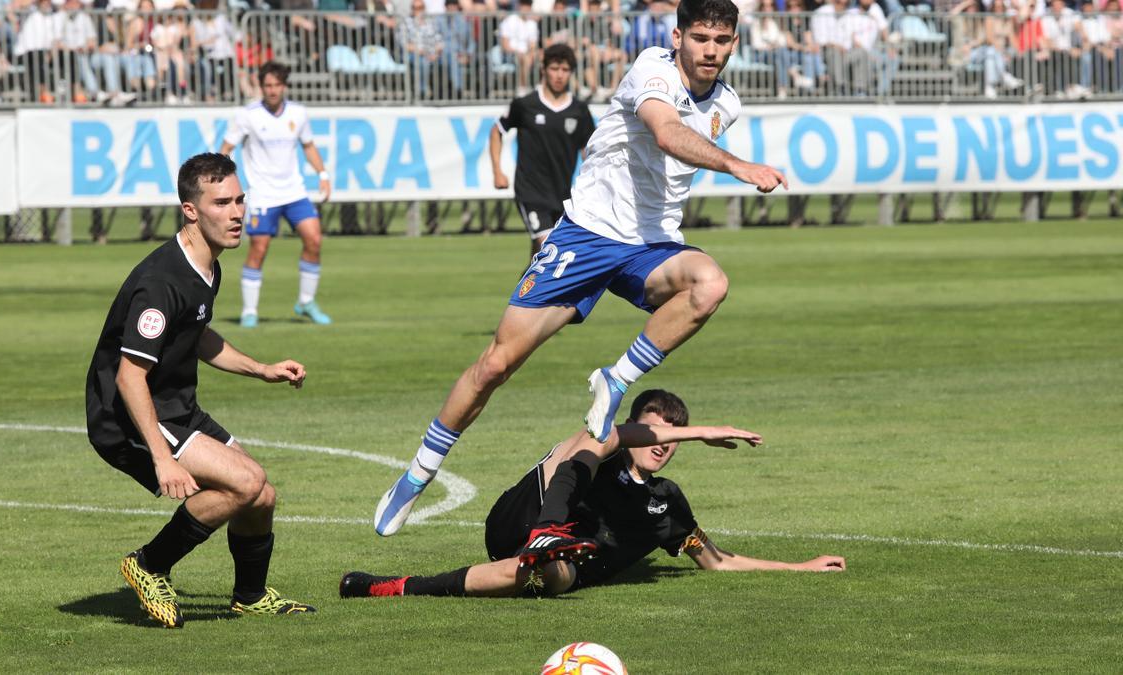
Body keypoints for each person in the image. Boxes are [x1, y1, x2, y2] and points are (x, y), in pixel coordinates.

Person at [374, 0, 788, 537]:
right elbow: (665, 132)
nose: (709, 49)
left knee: (711, 284)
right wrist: (737, 164)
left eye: (721, 40)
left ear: (735, 43)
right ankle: (416, 475)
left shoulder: (726, 103)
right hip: (587, 235)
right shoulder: (652, 69)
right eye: (700, 37)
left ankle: (614, 380)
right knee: (496, 365)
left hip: (651, 246)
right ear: (678, 36)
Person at [85, 153, 315, 629]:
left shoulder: (207, 264)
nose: (237, 213)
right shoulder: (161, 282)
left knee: (262, 494)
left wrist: (261, 369)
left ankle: (250, 596)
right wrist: (161, 459)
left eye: (240, 200)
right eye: (222, 203)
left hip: (174, 406)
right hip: (127, 415)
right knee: (245, 482)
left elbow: (197, 333)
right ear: (191, 210)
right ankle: (149, 564)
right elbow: (130, 376)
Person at [346, 390, 845, 598]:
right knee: (585, 442)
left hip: (555, 565)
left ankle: (388, 586)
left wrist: (801, 567)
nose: (663, 446)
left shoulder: (666, 502)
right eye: (657, 435)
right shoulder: (604, 452)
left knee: (552, 576)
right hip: (518, 517)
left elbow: (716, 561)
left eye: (674, 437)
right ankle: (547, 536)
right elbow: (609, 438)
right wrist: (702, 430)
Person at [220, 61, 333, 329]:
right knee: (259, 249)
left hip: (294, 191)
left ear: (284, 86)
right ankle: (249, 311)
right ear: (262, 87)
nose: (272, 90)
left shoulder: (298, 113)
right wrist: (218, 179)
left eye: (276, 85)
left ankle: (306, 301)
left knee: (314, 239)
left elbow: (309, 146)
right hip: (263, 194)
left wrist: (323, 175)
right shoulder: (248, 115)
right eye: (267, 85)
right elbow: (226, 148)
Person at [489, 43, 595, 262]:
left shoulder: (579, 110)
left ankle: (524, 294)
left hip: (564, 196)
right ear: (543, 69)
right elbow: (497, 131)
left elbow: (589, 151)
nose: (559, 75)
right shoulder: (526, 104)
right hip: (531, 193)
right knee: (552, 251)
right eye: (554, 68)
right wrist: (497, 171)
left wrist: (595, 183)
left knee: (539, 261)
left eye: (565, 70)